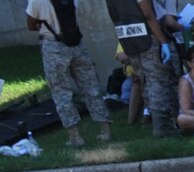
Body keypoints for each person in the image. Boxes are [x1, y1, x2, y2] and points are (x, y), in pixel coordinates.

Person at [23, 0, 113, 147]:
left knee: (62, 93)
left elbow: (30, 24)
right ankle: (106, 129)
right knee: (91, 88)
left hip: (54, 47)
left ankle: (75, 137)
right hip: (77, 44)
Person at [102, 0, 177, 136]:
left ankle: (160, 123)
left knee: (145, 83)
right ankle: (163, 127)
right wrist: (163, 41)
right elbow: (148, 14)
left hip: (130, 40)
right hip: (149, 38)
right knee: (158, 83)